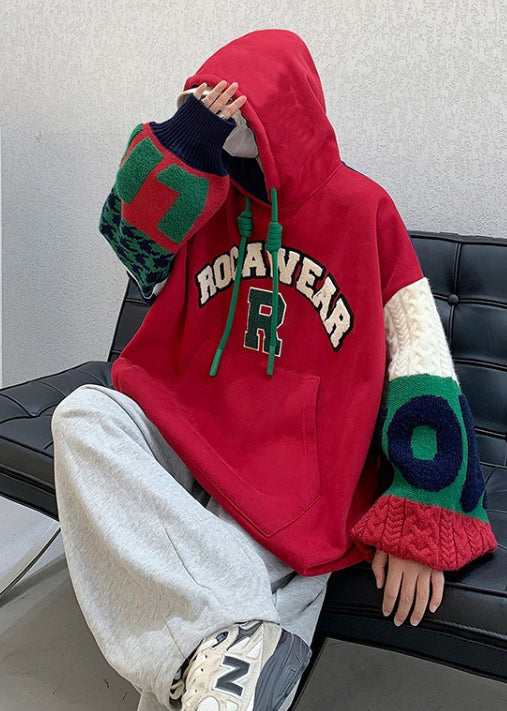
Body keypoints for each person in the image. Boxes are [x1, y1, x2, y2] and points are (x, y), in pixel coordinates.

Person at [51, 28, 497, 711]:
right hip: (186, 423)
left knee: (219, 659)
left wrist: (421, 506)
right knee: (82, 414)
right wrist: (184, 143)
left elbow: (420, 356)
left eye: (237, 115)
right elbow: (131, 241)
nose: (228, 128)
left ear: (286, 116)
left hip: (292, 464)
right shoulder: (204, 196)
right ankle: (240, 636)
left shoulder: (363, 209)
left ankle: (219, 654)